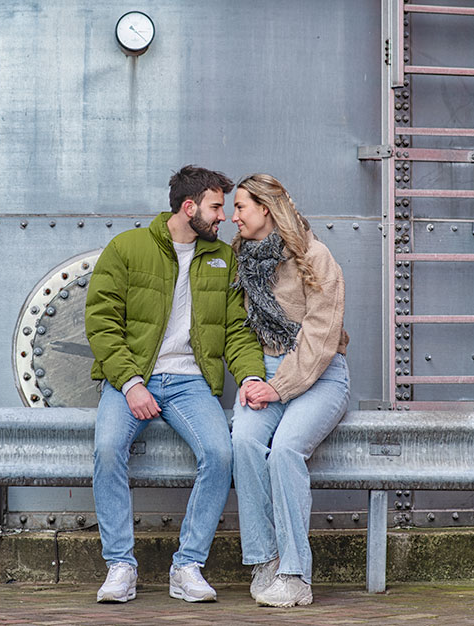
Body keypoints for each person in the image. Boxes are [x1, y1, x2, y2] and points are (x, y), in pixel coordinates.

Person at [85, 165, 265, 603]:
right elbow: (102, 322)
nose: (223, 216)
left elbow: (238, 330)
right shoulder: (127, 248)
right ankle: (120, 566)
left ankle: (187, 565)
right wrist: (129, 383)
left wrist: (251, 375)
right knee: (108, 450)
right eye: (216, 206)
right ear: (190, 208)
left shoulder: (224, 259)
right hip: (134, 378)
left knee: (220, 454)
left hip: (189, 382)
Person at [228, 173, 350, 608]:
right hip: (266, 375)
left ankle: (297, 576)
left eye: (240, 206)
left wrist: (278, 388)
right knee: (243, 441)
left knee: (284, 451)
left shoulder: (315, 257)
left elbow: (320, 338)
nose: (232, 215)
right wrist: (251, 379)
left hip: (319, 375)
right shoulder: (242, 260)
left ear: (265, 208)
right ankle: (266, 558)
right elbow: (239, 330)